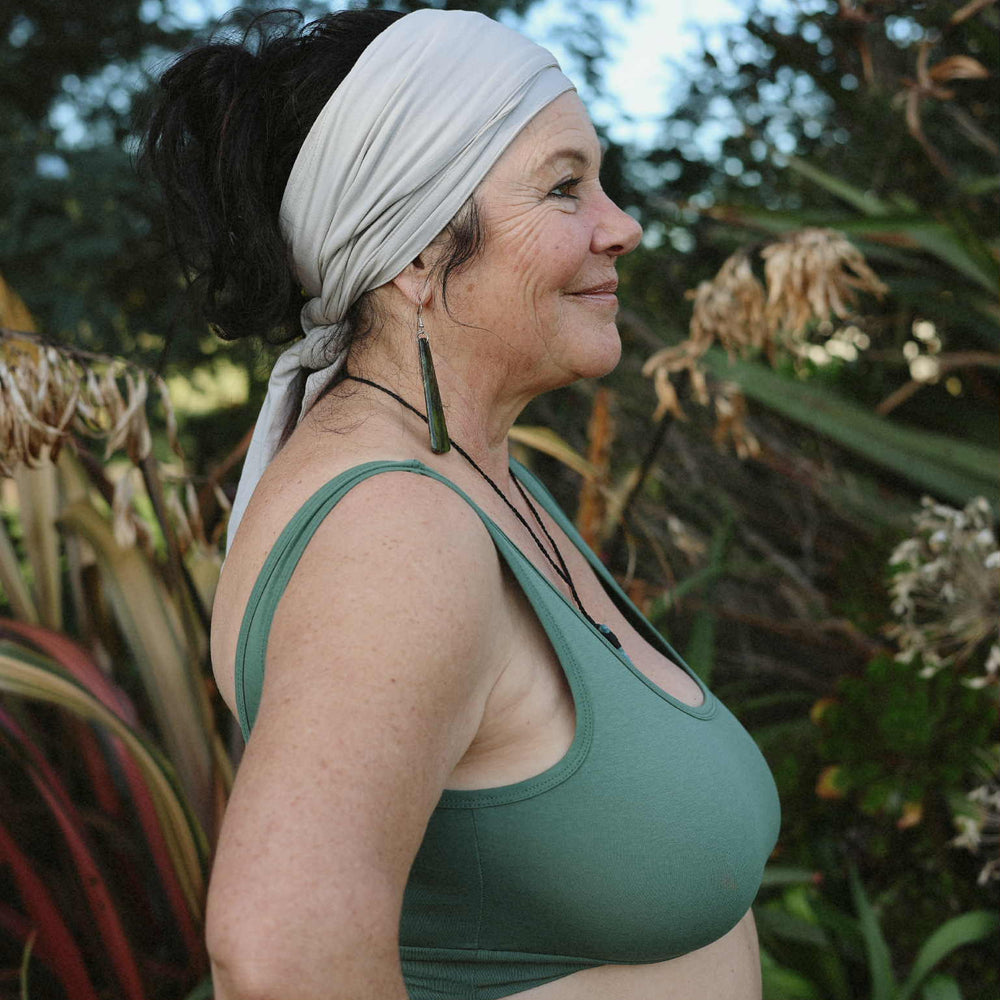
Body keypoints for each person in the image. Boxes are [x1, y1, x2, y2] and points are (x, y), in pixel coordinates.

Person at [140, 8, 781, 999]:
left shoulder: (462, 474)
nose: (622, 226)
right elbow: (281, 957)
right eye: (565, 187)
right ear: (415, 253)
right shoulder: (394, 530)